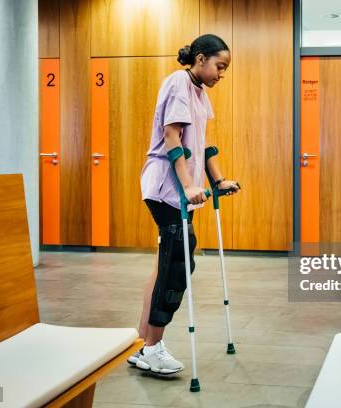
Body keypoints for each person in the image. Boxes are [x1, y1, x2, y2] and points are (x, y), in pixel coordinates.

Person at [128, 34, 239, 375]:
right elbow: (172, 137)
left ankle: (142, 340)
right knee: (176, 264)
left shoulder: (200, 92)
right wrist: (189, 184)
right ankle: (152, 348)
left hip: (180, 191)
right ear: (200, 58)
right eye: (219, 66)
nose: (221, 73)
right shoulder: (179, 82)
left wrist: (218, 180)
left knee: (169, 264)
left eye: (225, 68)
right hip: (165, 188)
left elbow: (202, 144)